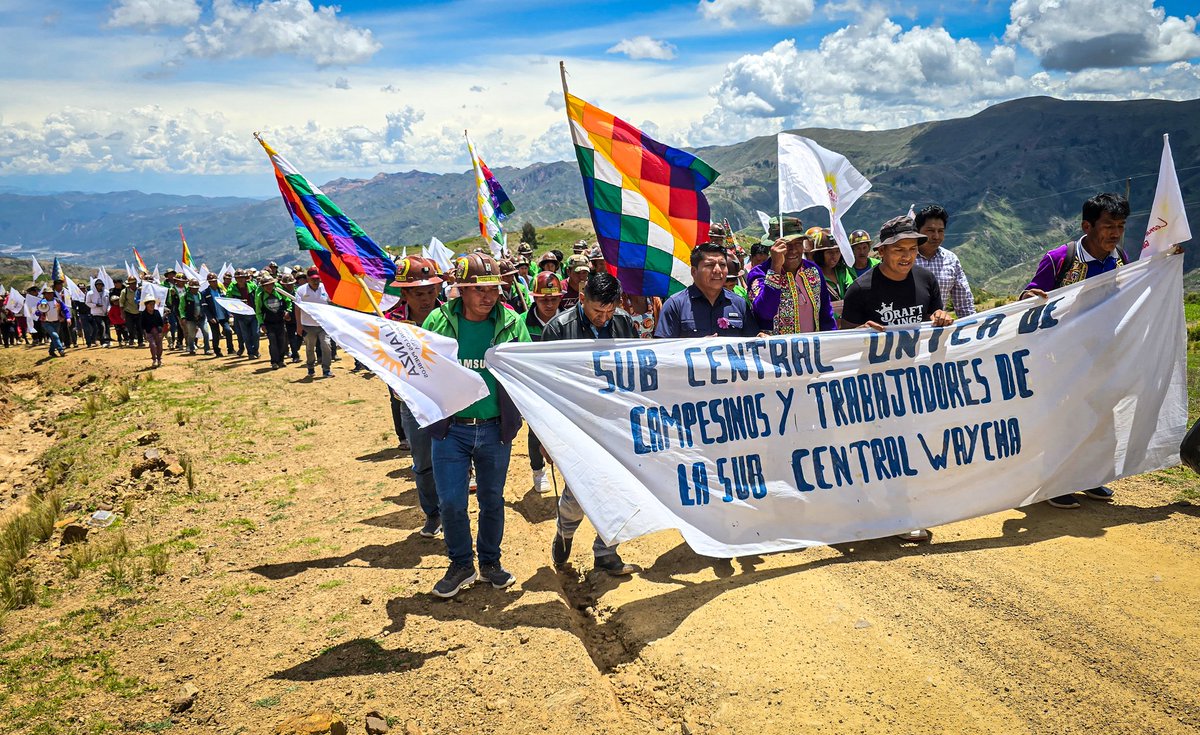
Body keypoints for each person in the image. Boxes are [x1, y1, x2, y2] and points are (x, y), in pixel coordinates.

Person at [422, 252, 532, 598]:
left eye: (494, 290)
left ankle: (490, 563)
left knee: (492, 499)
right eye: (477, 290)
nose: (488, 297)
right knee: (452, 501)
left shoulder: (512, 323)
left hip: (494, 429)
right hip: (451, 429)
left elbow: (528, 369)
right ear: (461, 290)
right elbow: (417, 365)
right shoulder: (438, 323)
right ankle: (460, 563)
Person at [841, 215, 954, 544]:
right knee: (880, 447)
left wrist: (942, 317)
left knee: (911, 446)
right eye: (898, 249)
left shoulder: (926, 281)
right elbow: (842, 340)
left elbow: (936, 318)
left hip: (914, 382)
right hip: (873, 386)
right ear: (881, 251)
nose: (906, 256)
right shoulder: (860, 289)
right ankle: (880, 510)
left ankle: (900, 510)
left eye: (912, 249)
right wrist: (858, 333)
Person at [1021, 192, 1131, 509]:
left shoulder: (1120, 258)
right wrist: (1030, 297)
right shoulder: (1059, 259)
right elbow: (1027, 299)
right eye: (1108, 225)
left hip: (1103, 354)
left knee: (1100, 415)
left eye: (1120, 225)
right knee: (1063, 419)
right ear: (1087, 226)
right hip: (1062, 358)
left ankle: (1091, 477)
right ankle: (1055, 483)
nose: (1114, 233)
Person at [543, 272, 641, 576]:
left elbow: (637, 367)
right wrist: (545, 436)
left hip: (615, 421)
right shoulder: (558, 329)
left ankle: (606, 551)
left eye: (610, 310)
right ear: (582, 299)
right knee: (579, 490)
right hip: (574, 424)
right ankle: (566, 529)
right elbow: (544, 386)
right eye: (598, 310)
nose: (604, 317)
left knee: (616, 487)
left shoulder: (624, 323)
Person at [387, 256, 445, 536]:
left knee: (452, 458)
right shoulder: (390, 324)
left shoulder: (450, 317)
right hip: (413, 403)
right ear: (404, 293)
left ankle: (452, 510)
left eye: (430, 292)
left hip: (448, 400)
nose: (426, 299)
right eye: (418, 293)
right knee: (423, 462)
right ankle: (432, 513)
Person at [655, 243, 761, 338]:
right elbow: (663, 352)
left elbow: (751, 344)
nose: (718, 270)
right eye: (710, 265)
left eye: (722, 265)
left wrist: (761, 339)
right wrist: (701, 347)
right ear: (694, 271)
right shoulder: (675, 305)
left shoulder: (739, 304)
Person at [746, 230, 836, 335]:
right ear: (773, 247)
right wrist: (776, 268)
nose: (793, 250)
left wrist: (831, 343)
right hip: (776, 349)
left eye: (798, 243)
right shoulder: (759, 273)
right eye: (786, 244)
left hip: (812, 348)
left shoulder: (813, 270)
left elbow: (826, 314)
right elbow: (765, 312)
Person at [524, 271, 563, 494]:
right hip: (534, 389)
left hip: (562, 389)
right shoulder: (522, 323)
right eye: (543, 299)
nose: (549, 304)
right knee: (535, 431)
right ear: (534, 298)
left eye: (554, 298)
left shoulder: (568, 321)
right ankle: (538, 470)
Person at [915, 205, 975, 317]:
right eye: (930, 230)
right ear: (917, 231)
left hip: (939, 329)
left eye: (940, 231)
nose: (936, 236)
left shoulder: (951, 259)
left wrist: (973, 328)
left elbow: (964, 305)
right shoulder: (905, 259)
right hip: (908, 330)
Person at [293, 267, 333, 378]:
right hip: (308, 325)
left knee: (326, 346)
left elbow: (331, 305)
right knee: (310, 348)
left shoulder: (325, 289)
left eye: (317, 279)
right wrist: (299, 325)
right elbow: (297, 309)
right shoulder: (301, 291)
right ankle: (310, 367)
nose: (315, 281)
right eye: (312, 279)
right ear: (307, 279)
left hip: (323, 325)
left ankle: (326, 369)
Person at [810, 231, 856, 318]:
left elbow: (853, 291)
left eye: (837, 251)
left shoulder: (843, 271)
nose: (834, 256)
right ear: (820, 254)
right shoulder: (812, 276)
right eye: (829, 252)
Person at [255, 275, 293, 369]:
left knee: (282, 341)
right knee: (273, 342)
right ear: (263, 287)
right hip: (268, 323)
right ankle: (274, 362)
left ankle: (281, 360)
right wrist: (261, 324)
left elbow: (288, 301)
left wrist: (288, 311)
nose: (269, 287)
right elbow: (258, 311)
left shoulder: (280, 293)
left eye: (271, 284)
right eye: (266, 285)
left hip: (280, 322)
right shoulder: (261, 296)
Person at [226, 270, 260, 359]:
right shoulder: (232, 288)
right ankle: (250, 353)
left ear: (245, 278)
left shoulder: (252, 286)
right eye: (238, 278)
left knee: (256, 333)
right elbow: (228, 299)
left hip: (253, 314)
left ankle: (255, 350)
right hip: (241, 316)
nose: (240, 280)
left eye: (242, 278)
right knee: (246, 335)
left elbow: (258, 296)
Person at [36, 285, 70, 357]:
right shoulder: (42, 303)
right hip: (46, 322)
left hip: (57, 322)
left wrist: (68, 318)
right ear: (44, 295)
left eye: (51, 293)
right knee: (55, 336)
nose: (49, 294)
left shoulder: (57, 301)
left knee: (54, 337)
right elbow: (36, 313)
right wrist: (40, 311)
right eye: (47, 293)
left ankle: (51, 351)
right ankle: (61, 350)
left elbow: (65, 310)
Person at [201, 273, 230, 357]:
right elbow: (205, 307)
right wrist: (210, 317)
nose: (213, 283)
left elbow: (227, 303)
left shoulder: (222, 290)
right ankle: (217, 351)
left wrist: (229, 314)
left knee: (228, 331)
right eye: (211, 281)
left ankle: (230, 349)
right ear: (208, 282)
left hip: (223, 316)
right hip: (213, 317)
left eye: (214, 281)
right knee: (215, 334)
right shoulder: (205, 293)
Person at [179, 279, 209, 354]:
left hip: (201, 317)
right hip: (190, 318)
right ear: (190, 288)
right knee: (191, 334)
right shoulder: (185, 296)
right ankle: (191, 348)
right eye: (193, 288)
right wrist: (183, 317)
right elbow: (181, 308)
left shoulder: (201, 295)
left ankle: (207, 349)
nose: (195, 289)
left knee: (206, 332)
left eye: (197, 288)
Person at [140, 294, 165, 367]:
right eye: (150, 304)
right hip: (149, 332)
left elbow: (160, 323)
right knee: (153, 345)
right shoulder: (143, 314)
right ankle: (154, 359)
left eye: (153, 304)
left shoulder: (156, 312)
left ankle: (159, 359)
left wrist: (160, 330)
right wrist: (144, 333)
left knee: (159, 346)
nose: (152, 306)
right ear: (146, 305)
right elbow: (142, 325)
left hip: (157, 332)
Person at [84, 279, 110, 347]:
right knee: (102, 326)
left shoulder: (106, 292)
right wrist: (95, 305)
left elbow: (109, 302)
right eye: (98, 285)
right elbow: (87, 302)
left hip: (105, 312)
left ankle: (107, 340)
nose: (99, 286)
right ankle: (102, 341)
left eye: (101, 285)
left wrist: (108, 309)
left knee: (107, 327)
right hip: (96, 313)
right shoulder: (90, 293)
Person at [120, 277, 144, 348]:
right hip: (129, 312)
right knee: (130, 327)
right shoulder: (124, 291)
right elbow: (121, 303)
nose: (133, 285)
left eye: (134, 283)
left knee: (140, 327)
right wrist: (122, 313)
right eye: (131, 283)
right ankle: (131, 339)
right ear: (129, 284)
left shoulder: (140, 290)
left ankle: (140, 342)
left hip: (139, 311)